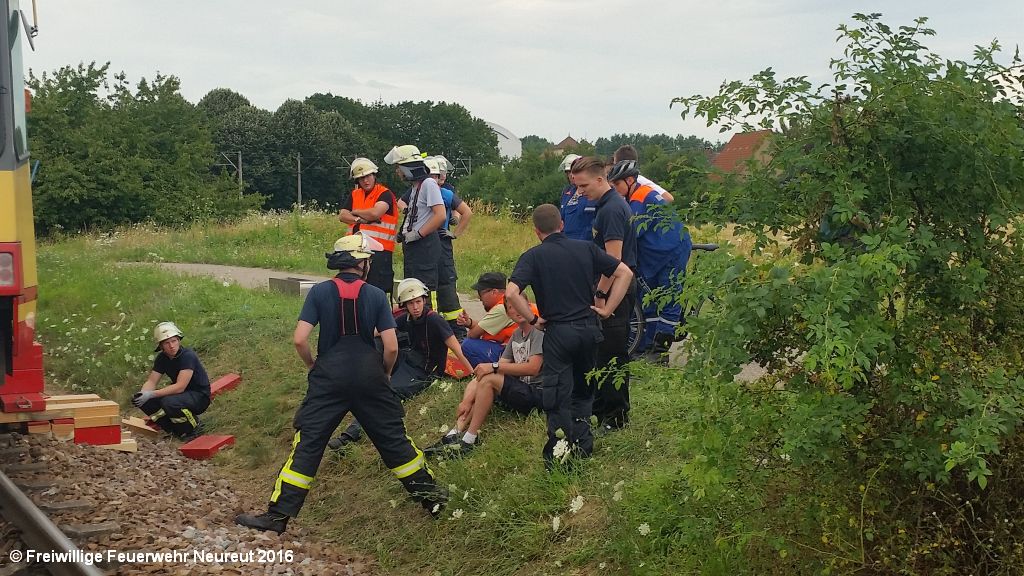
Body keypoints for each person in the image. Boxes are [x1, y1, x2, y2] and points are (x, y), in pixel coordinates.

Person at [236, 235, 446, 534]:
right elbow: (391, 347)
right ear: (361, 263)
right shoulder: (376, 295)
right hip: (370, 377)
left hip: (328, 378)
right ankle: (433, 500)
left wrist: (313, 366)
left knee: (309, 444)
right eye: (368, 260)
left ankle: (277, 516)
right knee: (395, 442)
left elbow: (299, 339)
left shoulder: (320, 292)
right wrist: (385, 374)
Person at [506, 204, 633, 467]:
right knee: (584, 389)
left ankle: (559, 451)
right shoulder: (586, 248)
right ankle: (583, 445)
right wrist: (607, 308)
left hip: (558, 332)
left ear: (536, 231)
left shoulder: (533, 256)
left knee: (557, 392)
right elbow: (625, 273)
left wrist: (533, 319)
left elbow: (511, 293)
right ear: (561, 224)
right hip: (589, 330)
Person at [326, 277, 473, 450]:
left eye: (418, 301)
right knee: (375, 352)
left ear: (424, 300)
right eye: (410, 303)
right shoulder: (406, 318)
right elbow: (381, 331)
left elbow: (456, 349)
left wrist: (473, 374)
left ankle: (349, 435)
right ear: (405, 305)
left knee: (384, 394)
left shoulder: (434, 320)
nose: (415, 307)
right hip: (407, 359)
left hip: (424, 371)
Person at [424, 294, 543, 458]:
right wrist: (466, 401)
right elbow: (498, 367)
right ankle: (454, 433)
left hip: (539, 394)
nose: (517, 310)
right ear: (507, 314)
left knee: (489, 377)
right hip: (522, 390)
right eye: (511, 307)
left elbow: (533, 368)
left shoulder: (538, 332)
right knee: (485, 377)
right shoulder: (516, 335)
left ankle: (469, 439)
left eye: (519, 305)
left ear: (528, 306)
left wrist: (493, 366)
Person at [572, 156, 637, 432]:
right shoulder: (605, 205)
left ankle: (615, 417)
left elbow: (614, 261)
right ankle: (599, 409)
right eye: (577, 186)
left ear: (600, 179)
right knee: (600, 352)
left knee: (612, 353)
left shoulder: (611, 210)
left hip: (614, 289)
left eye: (584, 185)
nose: (580, 192)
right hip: (608, 286)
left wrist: (600, 293)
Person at [608, 159, 692, 362]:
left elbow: (632, 232)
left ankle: (660, 351)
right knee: (650, 299)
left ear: (629, 180)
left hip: (671, 252)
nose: (615, 189)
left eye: (617, 184)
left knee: (668, 298)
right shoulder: (633, 196)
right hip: (655, 253)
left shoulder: (641, 196)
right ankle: (647, 346)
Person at [385, 144, 446, 302]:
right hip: (414, 246)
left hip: (424, 245)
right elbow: (416, 214)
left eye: (399, 167)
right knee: (412, 288)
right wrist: (403, 233)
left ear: (408, 167)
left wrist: (419, 233)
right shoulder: (416, 187)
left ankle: (429, 314)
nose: (397, 172)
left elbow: (440, 215)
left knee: (424, 289)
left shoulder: (428, 184)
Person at [132, 322, 211, 441]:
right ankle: (174, 430)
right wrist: (143, 394)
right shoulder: (162, 358)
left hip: (199, 396)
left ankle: (194, 427)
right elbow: (152, 381)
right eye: (167, 343)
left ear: (179, 340)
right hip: (181, 395)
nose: (171, 346)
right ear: (161, 346)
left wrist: (152, 394)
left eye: (174, 341)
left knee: (169, 402)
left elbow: (180, 386)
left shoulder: (187, 356)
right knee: (143, 400)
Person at [337, 157, 398, 300]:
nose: (365, 180)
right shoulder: (355, 194)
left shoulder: (385, 193)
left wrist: (355, 211)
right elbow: (342, 215)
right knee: (356, 290)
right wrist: (359, 219)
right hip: (356, 251)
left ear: (374, 175)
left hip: (380, 252)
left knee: (377, 292)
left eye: (368, 176)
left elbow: (375, 213)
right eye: (361, 178)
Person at [426, 156, 473, 338]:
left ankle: (458, 334)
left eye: (437, 176)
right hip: (424, 245)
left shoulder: (444, 193)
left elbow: (466, 212)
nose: (435, 179)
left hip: (440, 243)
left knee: (447, 290)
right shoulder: (417, 192)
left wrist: (455, 233)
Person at [455, 272, 516, 367]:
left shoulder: (501, 309)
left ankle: (487, 370)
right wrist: (469, 323)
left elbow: (472, 334)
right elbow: (484, 327)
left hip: (512, 354)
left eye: (481, 293)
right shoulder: (509, 302)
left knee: (468, 345)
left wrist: (473, 329)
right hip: (517, 349)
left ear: (494, 292)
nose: (479, 298)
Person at [557, 153, 596, 241]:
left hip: (586, 242)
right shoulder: (567, 192)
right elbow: (562, 218)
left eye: (573, 172)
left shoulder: (592, 191)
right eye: (568, 172)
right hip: (567, 241)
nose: (571, 175)